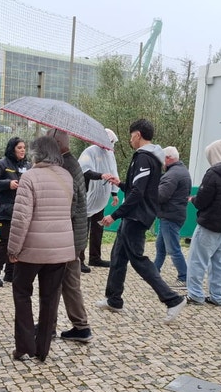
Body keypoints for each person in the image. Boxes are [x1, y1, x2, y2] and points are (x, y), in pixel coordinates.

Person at [97, 119, 186, 323]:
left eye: (131, 136)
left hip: (136, 216)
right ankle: (114, 299)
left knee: (138, 260)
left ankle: (173, 299)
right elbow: (137, 187)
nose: (130, 140)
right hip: (135, 214)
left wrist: (114, 215)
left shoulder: (144, 158)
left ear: (137, 135)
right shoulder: (148, 158)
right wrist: (119, 183)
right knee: (118, 255)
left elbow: (138, 192)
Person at [7, 136, 76, 361]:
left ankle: (25, 345)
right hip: (60, 250)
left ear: (37, 154)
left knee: (21, 293)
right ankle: (43, 349)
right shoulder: (67, 177)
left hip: (32, 250)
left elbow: (20, 219)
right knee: (50, 298)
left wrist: (13, 249)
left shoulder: (29, 177)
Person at [184, 139, 221, 307]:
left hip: (208, 225)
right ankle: (218, 296)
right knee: (220, 262)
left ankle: (195, 294)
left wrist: (193, 200)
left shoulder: (213, 173)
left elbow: (203, 200)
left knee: (198, 260)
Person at [47, 129, 91, 343]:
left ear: (56, 143)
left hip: (68, 236)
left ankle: (51, 326)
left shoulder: (66, 166)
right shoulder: (70, 163)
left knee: (58, 281)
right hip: (75, 235)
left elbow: (69, 205)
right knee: (68, 282)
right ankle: (79, 326)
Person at [0, 137, 28, 287]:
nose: (23, 150)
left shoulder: (27, 166)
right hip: (6, 210)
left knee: (18, 243)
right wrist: (7, 184)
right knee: (5, 242)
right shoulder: (0, 164)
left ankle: (10, 273)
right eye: (19, 148)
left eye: (24, 147)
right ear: (12, 149)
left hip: (22, 211)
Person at [77, 128, 120, 271]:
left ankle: (95, 257)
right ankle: (79, 260)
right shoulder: (90, 151)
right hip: (88, 196)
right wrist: (101, 175)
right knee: (83, 229)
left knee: (98, 228)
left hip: (101, 198)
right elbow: (85, 170)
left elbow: (113, 172)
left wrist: (114, 193)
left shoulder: (109, 154)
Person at [153, 146, 192, 288]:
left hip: (170, 215)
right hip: (174, 214)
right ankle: (153, 271)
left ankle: (184, 277)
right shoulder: (182, 170)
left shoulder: (172, 174)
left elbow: (161, 195)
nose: (161, 163)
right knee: (160, 246)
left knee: (173, 249)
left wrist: (150, 191)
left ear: (168, 158)